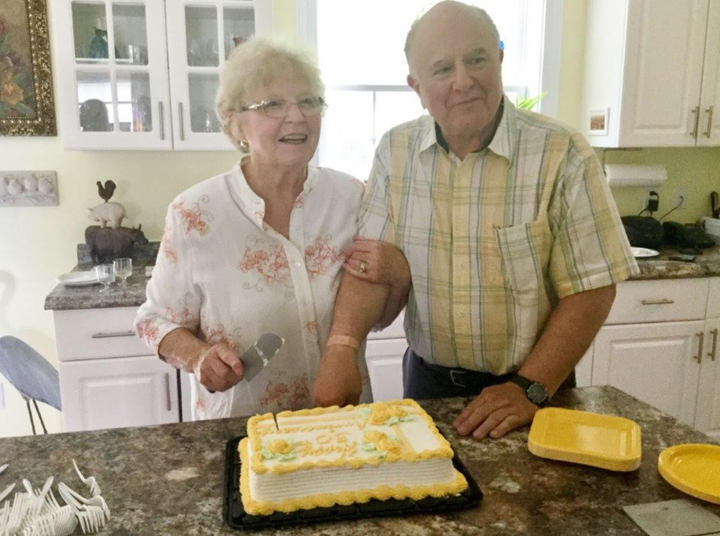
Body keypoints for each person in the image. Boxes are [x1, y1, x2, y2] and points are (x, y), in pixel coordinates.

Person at [312, 1, 639, 439]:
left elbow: (592, 287)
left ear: (500, 60)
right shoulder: (396, 151)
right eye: (443, 69)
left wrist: (529, 388)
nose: (463, 81)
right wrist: (341, 348)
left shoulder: (562, 152)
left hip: (535, 388)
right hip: (428, 385)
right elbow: (369, 265)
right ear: (417, 86)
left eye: (477, 59)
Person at [135, 38, 410, 420]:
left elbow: (379, 317)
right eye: (272, 105)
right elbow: (153, 320)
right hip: (244, 430)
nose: (296, 116)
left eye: (309, 101)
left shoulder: (352, 198)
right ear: (235, 123)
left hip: (344, 422)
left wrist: (398, 274)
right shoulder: (194, 214)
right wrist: (199, 358)